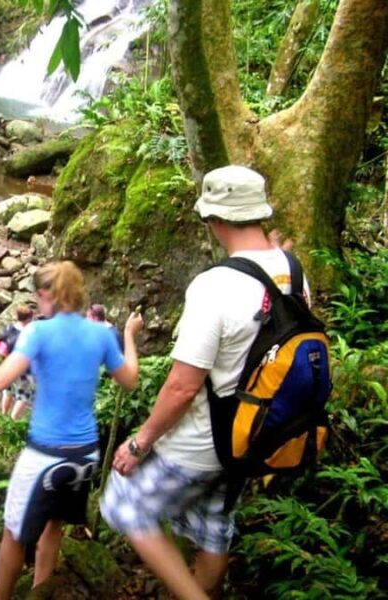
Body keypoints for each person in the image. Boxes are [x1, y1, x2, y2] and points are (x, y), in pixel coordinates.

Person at [100, 165, 309, 600]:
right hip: (253, 436)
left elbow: (182, 385)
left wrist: (139, 443)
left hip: (197, 444)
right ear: (258, 213)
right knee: (213, 527)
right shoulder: (293, 269)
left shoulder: (214, 286)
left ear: (213, 220)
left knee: (124, 504)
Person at [0, 260, 144, 599]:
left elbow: (0, 378)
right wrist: (129, 335)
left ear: (47, 294)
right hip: (85, 455)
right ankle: (40, 593)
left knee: (14, 533)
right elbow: (130, 380)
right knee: (54, 527)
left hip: (46, 454)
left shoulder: (38, 331)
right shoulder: (101, 334)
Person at [0, 304, 35, 419]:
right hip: (24, 370)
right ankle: (13, 420)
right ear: (30, 318)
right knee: (24, 397)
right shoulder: (30, 333)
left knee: (7, 392)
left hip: (8, 366)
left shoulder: (8, 328)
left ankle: (3, 415)